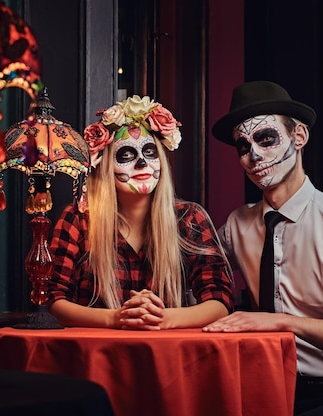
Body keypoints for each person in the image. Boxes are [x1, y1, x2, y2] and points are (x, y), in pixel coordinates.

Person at [204, 81, 323, 416]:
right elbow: (194, 274)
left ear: (299, 136)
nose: (254, 156)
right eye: (243, 146)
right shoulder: (237, 225)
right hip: (265, 384)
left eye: (265, 138)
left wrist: (280, 322)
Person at [47, 95, 234, 330]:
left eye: (150, 152)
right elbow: (54, 299)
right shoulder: (78, 219)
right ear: (104, 164)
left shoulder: (189, 218)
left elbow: (220, 299)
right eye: (126, 155)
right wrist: (115, 318)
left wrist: (164, 318)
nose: (142, 164)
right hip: (97, 356)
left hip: (169, 355)